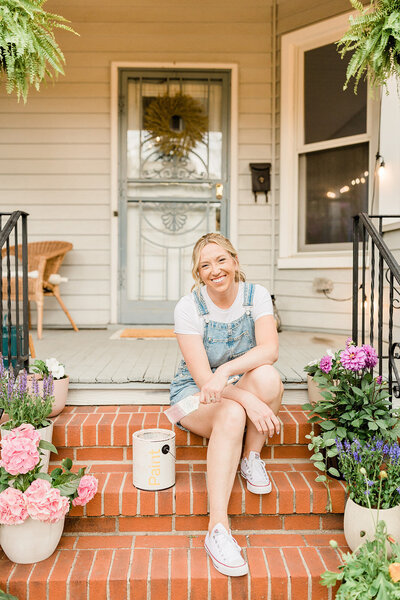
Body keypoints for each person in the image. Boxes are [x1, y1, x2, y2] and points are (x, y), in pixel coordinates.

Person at [169, 232, 283, 577]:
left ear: (234, 262)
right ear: (198, 274)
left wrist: (230, 371)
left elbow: (270, 350)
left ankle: (250, 458)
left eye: (221, 260)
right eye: (205, 265)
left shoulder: (256, 295)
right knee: (234, 410)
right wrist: (247, 398)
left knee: (269, 378)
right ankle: (217, 529)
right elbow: (205, 382)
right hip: (192, 397)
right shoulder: (189, 307)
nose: (215, 269)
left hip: (230, 382)